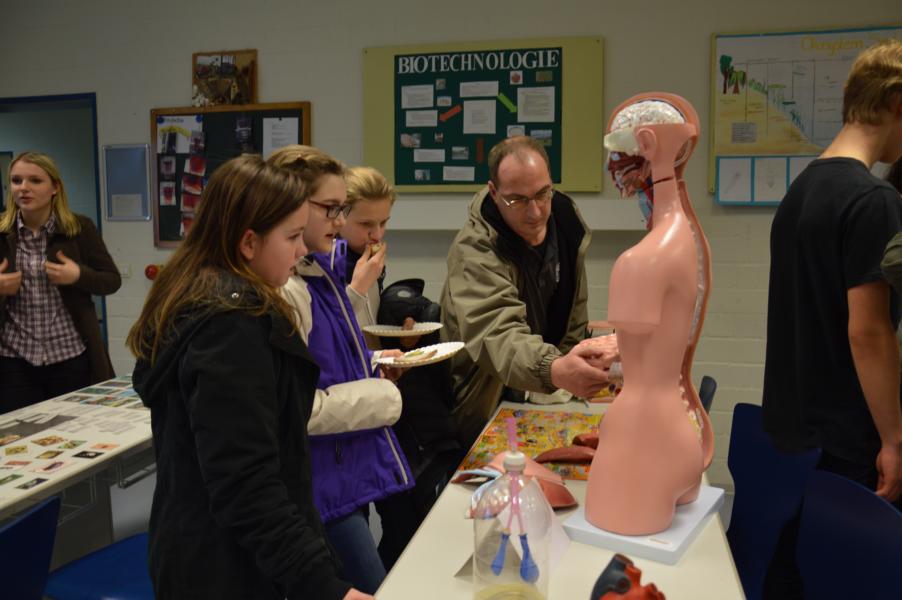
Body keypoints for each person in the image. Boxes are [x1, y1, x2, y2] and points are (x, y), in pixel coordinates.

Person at [127, 155, 368, 600]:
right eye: (292, 237)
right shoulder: (231, 326)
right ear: (248, 242)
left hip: (205, 551)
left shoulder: (201, 295)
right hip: (224, 570)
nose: (301, 251)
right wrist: (324, 586)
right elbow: (246, 483)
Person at [763, 39, 902, 597]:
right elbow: (868, 332)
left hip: (797, 436)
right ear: (897, 104)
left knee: (797, 570)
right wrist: (894, 439)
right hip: (849, 441)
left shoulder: (801, 191)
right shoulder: (873, 201)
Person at [270, 146, 412, 595]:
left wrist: (374, 364)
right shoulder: (290, 285)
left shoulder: (317, 268)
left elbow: (331, 355)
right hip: (317, 475)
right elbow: (296, 405)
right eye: (334, 209)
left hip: (337, 463)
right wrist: (382, 397)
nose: (339, 221)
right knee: (366, 583)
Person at [585, 93, 712, 535]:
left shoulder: (639, 261)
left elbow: (633, 363)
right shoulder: (685, 242)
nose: (613, 167)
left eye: (619, 152)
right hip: (676, 433)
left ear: (648, 144)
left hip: (642, 440)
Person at [440, 136, 613, 448]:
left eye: (542, 194)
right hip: (486, 401)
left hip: (544, 393)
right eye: (517, 200)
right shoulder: (475, 249)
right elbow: (497, 332)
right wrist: (554, 369)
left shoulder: (566, 225)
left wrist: (580, 360)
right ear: (494, 192)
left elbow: (573, 314)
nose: (535, 212)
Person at [340, 166, 462, 570]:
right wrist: (357, 289)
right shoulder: (325, 267)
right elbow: (331, 343)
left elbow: (366, 332)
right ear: (338, 216)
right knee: (356, 549)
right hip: (340, 433)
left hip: (374, 410)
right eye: (366, 224)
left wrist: (399, 340)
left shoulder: (366, 260)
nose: (376, 234)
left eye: (384, 223)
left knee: (396, 524)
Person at [0, 151, 121, 412]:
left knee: (75, 429)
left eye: (35, 180)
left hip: (68, 355)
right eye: (17, 180)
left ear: (55, 187)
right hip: (13, 358)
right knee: (18, 432)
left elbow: (111, 281)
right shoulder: (2, 231)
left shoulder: (79, 228)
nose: (24, 188)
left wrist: (78, 275)